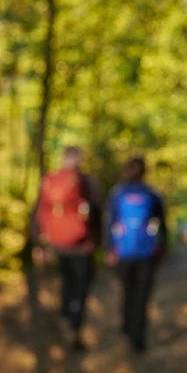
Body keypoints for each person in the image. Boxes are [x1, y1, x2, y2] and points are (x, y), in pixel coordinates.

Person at [32, 146, 101, 350]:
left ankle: (65, 320)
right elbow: (97, 214)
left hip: (58, 246)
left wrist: (40, 245)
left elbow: (38, 213)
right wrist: (98, 243)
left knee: (66, 285)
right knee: (80, 289)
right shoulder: (88, 182)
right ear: (80, 159)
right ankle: (74, 327)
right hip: (82, 247)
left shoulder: (49, 181)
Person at [105, 156, 167, 353]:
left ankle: (128, 328)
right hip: (146, 254)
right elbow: (163, 226)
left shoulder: (117, 193)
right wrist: (161, 249)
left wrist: (110, 248)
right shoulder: (151, 193)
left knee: (128, 291)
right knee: (141, 295)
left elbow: (110, 222)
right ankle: (136, 336)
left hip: (124, 252)